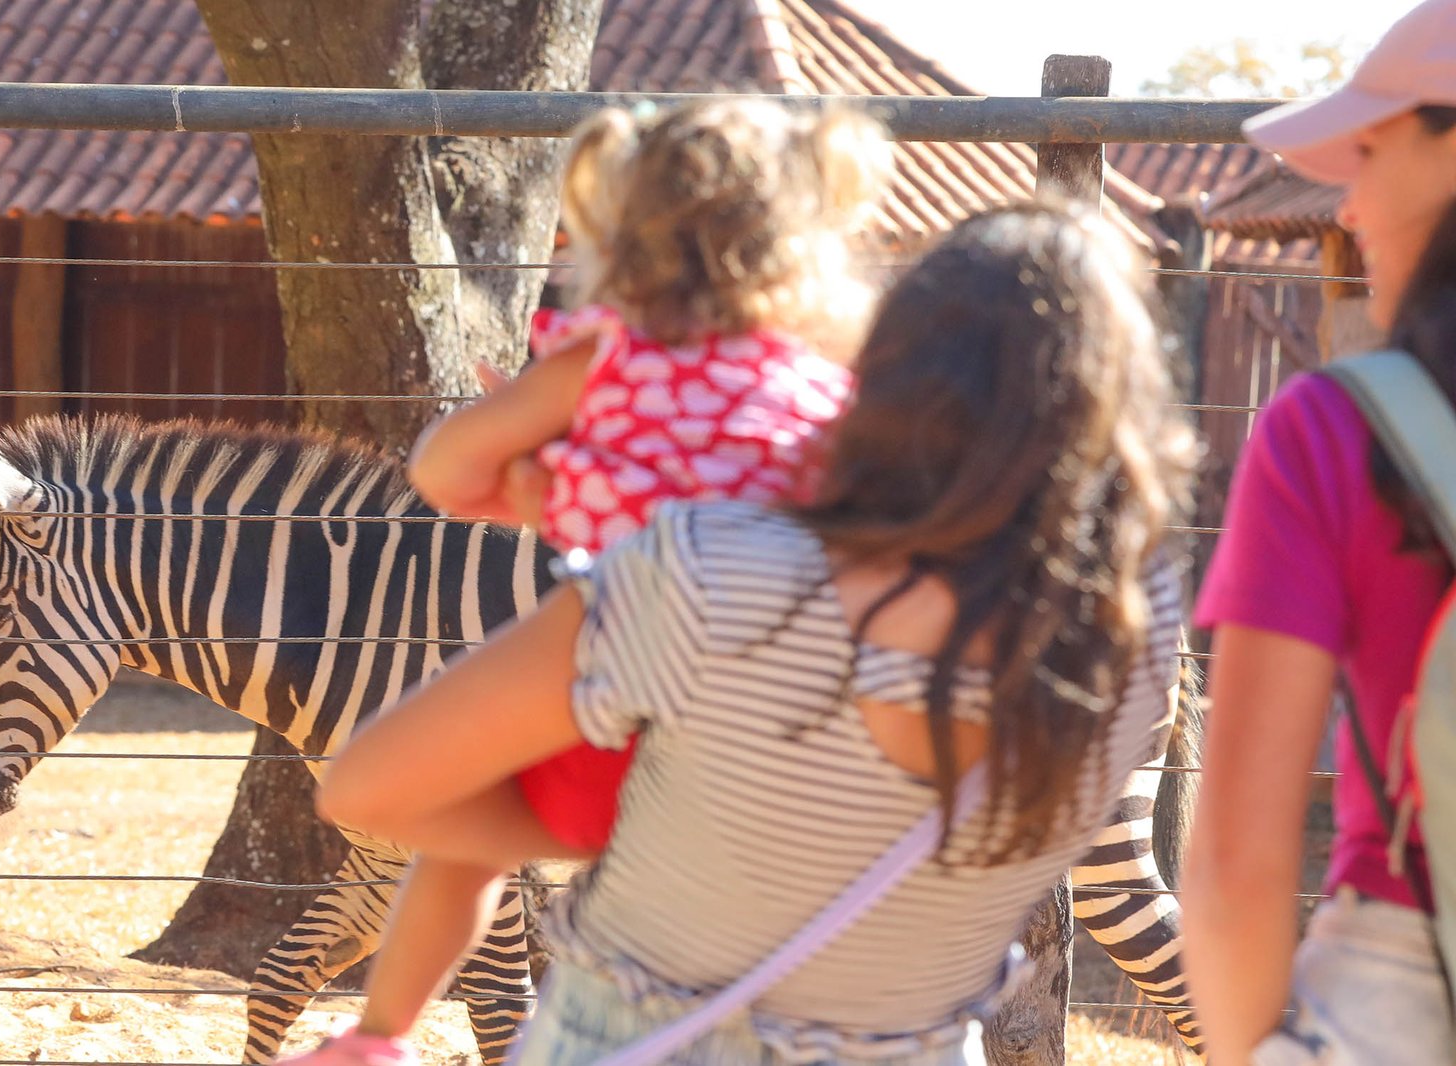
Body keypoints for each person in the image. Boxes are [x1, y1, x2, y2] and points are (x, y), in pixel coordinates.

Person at [314, 199, 1197, 1065]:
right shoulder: (1129, 626)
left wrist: (642, 833)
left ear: (889, 367)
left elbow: (366, 791)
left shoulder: (713, 568)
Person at [280, 97, 889, 1065]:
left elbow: (439, 471)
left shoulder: (602, 360)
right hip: (787, 759)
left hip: (611, 724)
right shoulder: (829, 389)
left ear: (619, 226)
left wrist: (541, 468)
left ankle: (376, 1034)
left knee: (463, 832)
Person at [1183, 2, 1456, 1063]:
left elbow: (1235, 873)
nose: (1345, 201)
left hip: (1400, 985)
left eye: (1369, 149)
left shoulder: (1335, 430)